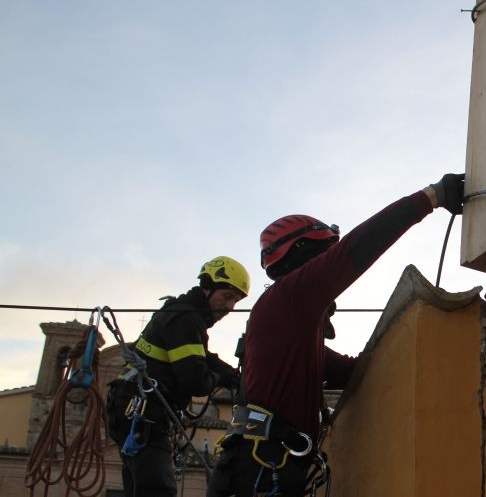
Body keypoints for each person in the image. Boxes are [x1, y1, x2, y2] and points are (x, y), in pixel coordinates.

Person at [207, 174, 465, 496]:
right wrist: (430, 197)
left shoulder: (295, 329)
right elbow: (353, 252)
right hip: (260, 470)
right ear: (301, 253)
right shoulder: (289, 297)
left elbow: (352, 372)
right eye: (323, 255)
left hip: (262, 467)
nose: (328, 267)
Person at [107, 256, 250, 497]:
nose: (230, 306)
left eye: (235, 300)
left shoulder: (183, 315)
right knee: (157, 490)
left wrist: (232, 375)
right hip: (144, 414)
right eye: (226, 296)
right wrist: (218, 378)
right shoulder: (186, 319)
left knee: (140, 488)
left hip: (133, 409)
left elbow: (203, 357)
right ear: (207, 287)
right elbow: (195, 381)